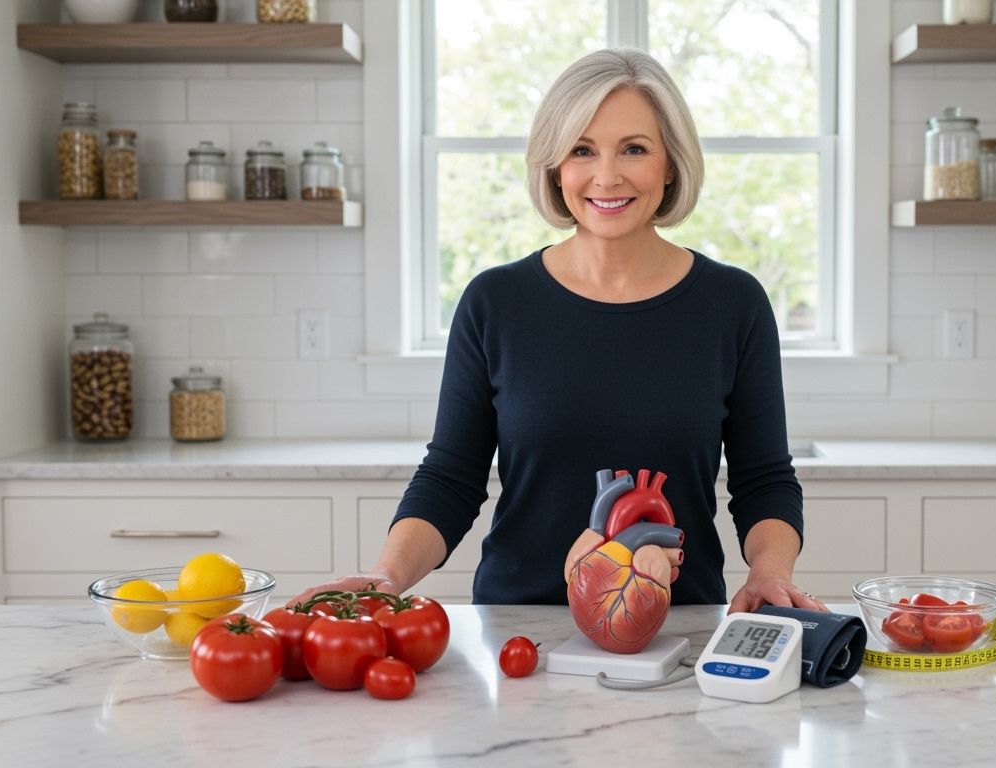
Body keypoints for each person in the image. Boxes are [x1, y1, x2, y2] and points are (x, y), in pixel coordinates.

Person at [290, 47, 826, 615]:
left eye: (635, 149)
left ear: (670, 165)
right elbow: (451, 476)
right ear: (555, 166)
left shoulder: (733, 304)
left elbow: (764, 477)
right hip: (520, 628)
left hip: (678, 628)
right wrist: (388, 574)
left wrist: (768, 573)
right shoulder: (495, 302)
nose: (607, 176)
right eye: (582, 150)